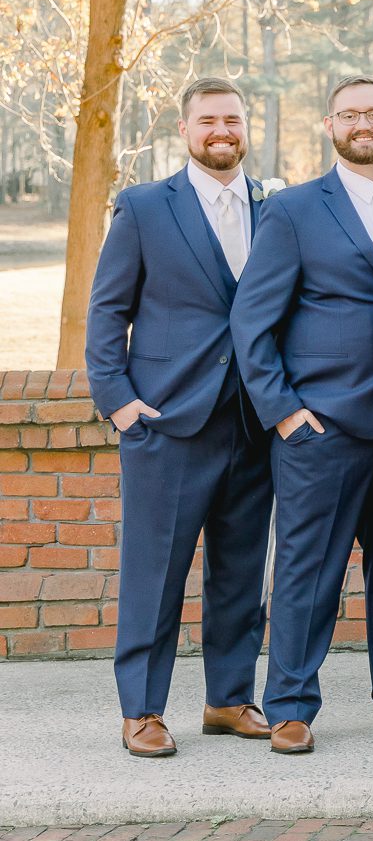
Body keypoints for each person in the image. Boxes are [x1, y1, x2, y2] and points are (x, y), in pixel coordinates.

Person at [231, 76, 373, 754]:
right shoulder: (291, 209)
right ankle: (288, 702)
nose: (364, 123)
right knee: (307, 572)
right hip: (321, 426)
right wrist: (284, 413)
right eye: (351, 113)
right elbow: (251, 322)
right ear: (329, 124)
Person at [85, 78, 275, 757]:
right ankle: (141, 708)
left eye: (232, 119)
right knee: (154, 573)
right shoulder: (142, 207)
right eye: (208, 121)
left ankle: (227, 698)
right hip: (165, 422)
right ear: (185, 127)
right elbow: (108, 310)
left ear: (245, 126)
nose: (221, 131)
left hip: (252, 424)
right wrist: (121, 403)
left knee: (241, 573)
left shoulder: (272, 204)